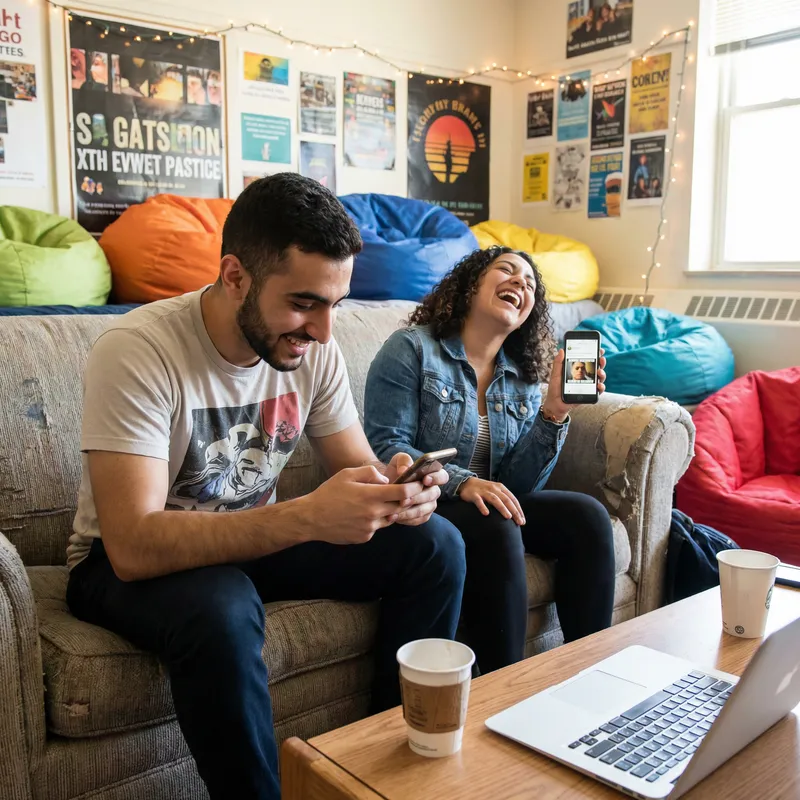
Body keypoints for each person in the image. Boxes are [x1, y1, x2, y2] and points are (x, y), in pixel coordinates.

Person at [66, 173, 467, 800]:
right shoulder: (138, 351)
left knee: (436, 545)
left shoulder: (314, 351)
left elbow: (354, 466)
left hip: (253, 544)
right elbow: (132, 544)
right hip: (121, 567)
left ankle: (380, 777)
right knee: (221, 606)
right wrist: (307, 518)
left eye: (336, 304)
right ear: (235, 277)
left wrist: (395, 490)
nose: (325, 331)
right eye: (305, 303)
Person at [364, 246, 616, 676]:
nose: (520, 282)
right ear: (470, 285)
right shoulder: (413, 349)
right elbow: (388, 447)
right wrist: (462, 483)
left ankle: (590, 673)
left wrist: (554, 412)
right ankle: (503, 690)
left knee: (586, 515)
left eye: (530, 283)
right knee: (492, 520)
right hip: (428, 507)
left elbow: (518, 487)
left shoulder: (520, 377)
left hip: (489, 507)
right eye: (507, 270)